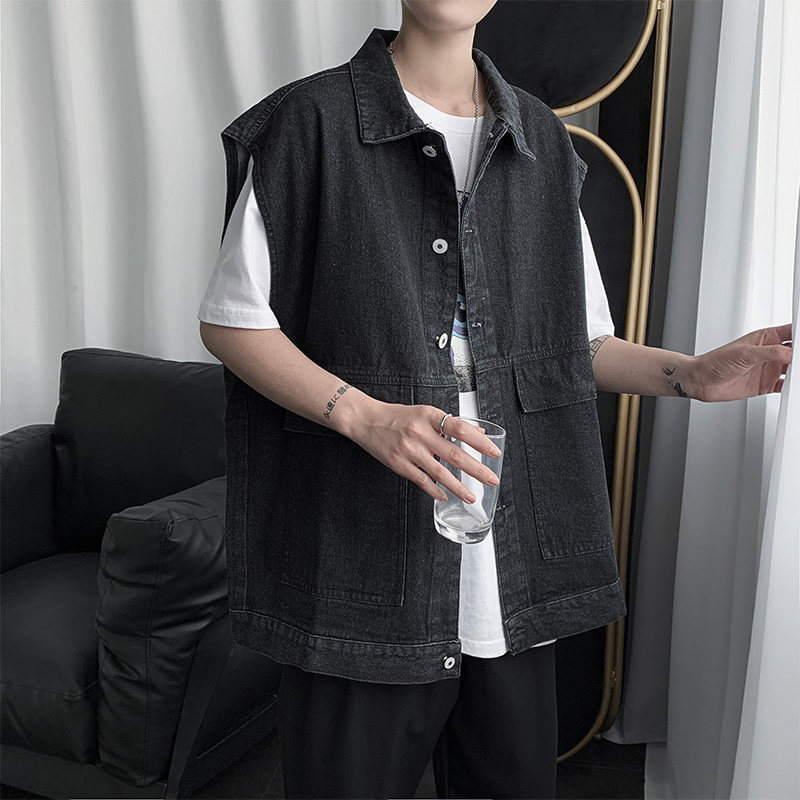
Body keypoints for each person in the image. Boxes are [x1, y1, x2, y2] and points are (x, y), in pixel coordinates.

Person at [198, 4, 792, 798]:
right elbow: (232, 321)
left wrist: (691, 375)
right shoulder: (311, 123)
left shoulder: (540, 137)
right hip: (359, 563)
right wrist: (367, 417)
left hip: (510, 567)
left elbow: (575, 346)